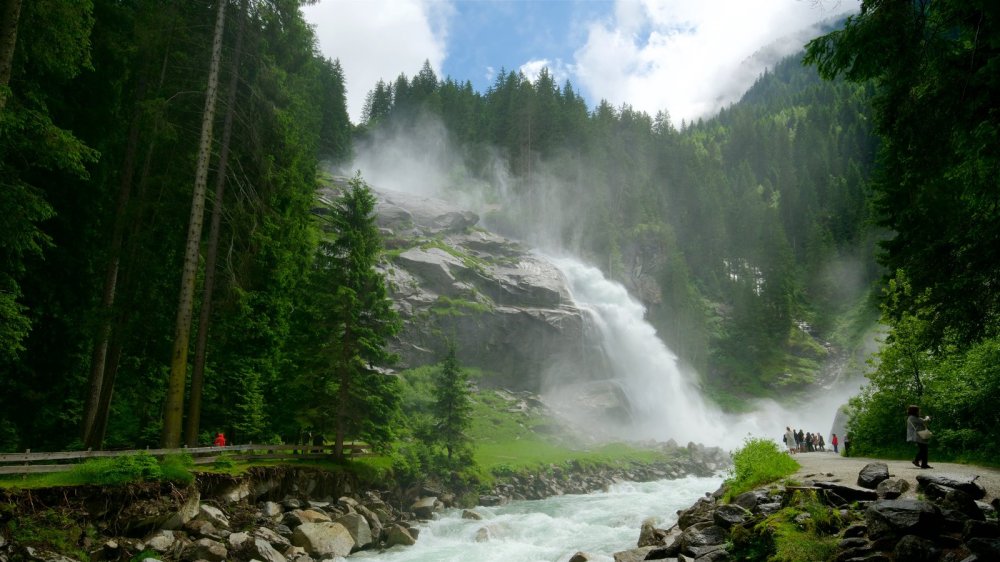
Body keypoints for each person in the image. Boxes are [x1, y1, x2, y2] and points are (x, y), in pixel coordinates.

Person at [906, 405, 932, 469]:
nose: (919, 411)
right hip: (918, 435)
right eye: (918, 410)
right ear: (915, 411)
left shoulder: (912, 417)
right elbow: (924, 421)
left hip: (918, 435)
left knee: (924, 449)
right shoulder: (912, 417)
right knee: (923, 449)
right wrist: (927, 417)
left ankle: (924, 464)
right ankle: (916, 460)